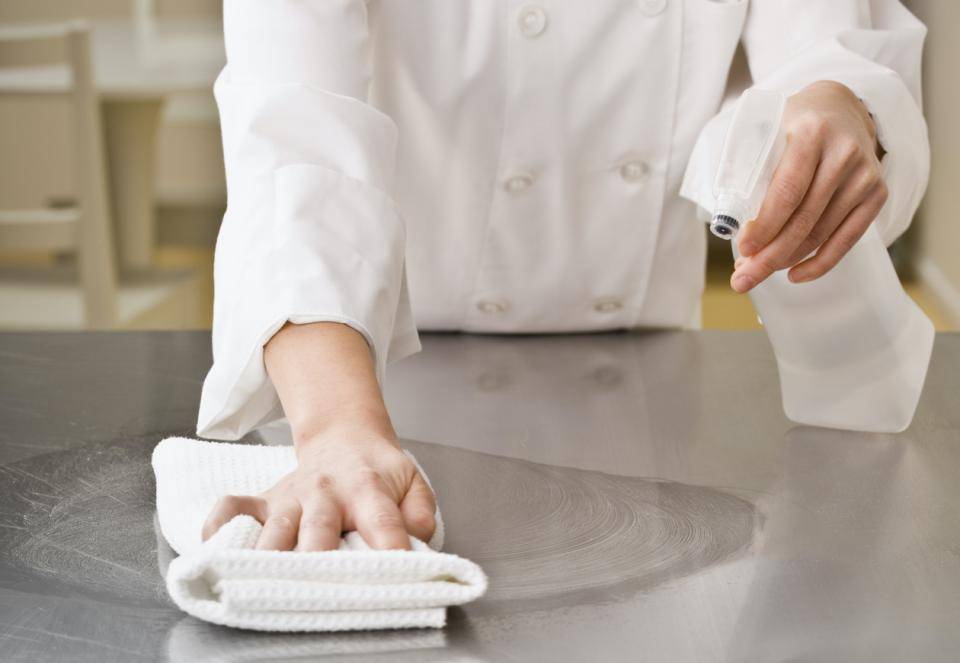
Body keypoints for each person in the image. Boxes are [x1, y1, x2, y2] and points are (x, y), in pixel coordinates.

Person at [196, 1, 929, 552]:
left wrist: (841, 104)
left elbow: (827, 42)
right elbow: (296, 139)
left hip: (650, 395)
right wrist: (335, 427)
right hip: (368, 370)